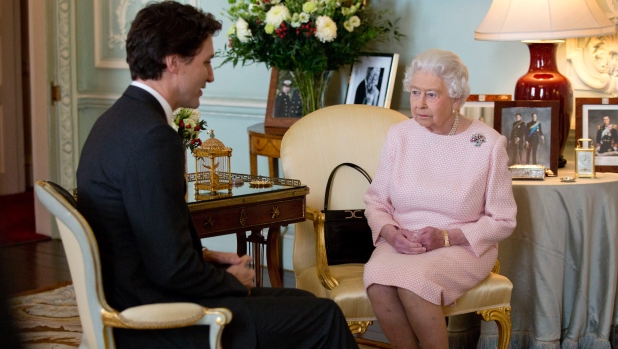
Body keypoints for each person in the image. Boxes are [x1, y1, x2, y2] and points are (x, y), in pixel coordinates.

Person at [76, 2, 357, 349]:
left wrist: (208, 259)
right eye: (206, 62)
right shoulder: (153, 138)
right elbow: (171, 270)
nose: (211, 76)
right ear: (174, 61)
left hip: (139, 297)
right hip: (160, 321)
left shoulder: (114, 121)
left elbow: (147, 241)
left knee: (310, 306)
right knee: (323, 317)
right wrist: (232, 283)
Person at [362, 49, 516, 349]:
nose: (419, 103)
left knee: (414, 284)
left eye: (431, 95)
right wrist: (393, 235)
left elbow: (503, 220)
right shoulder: (400, 135)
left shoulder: (488, 144)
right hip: (403, 243)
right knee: (378, 281)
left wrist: (445, 237)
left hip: (462, 246)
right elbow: (376, 202)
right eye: (415, 92)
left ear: (456, 98)